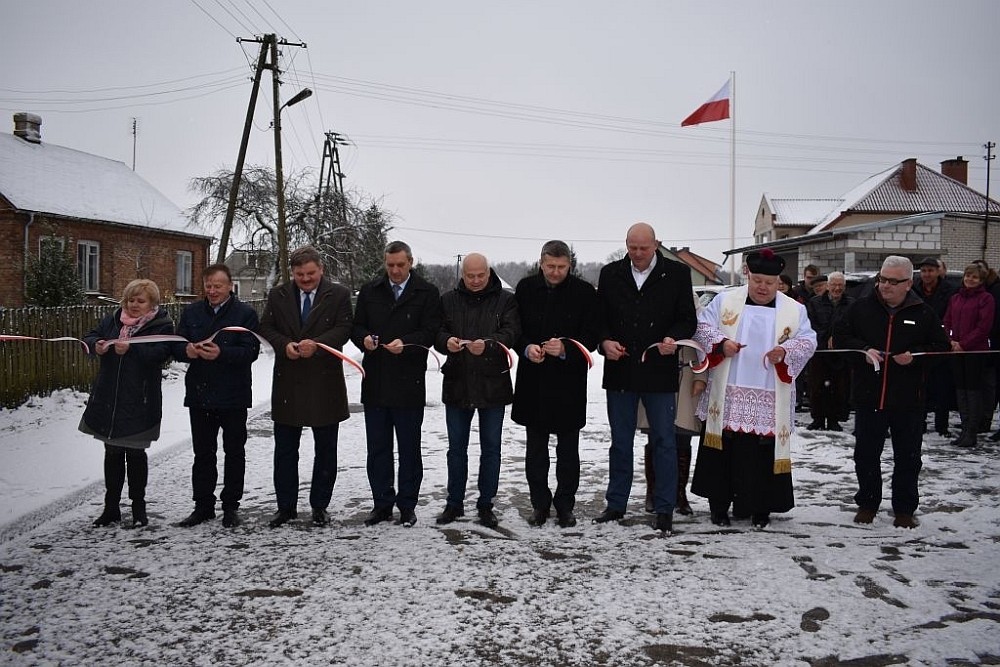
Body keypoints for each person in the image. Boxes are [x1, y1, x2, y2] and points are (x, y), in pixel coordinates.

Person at [690, 249, 817, 529]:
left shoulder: (794, 310)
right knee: (723, 448)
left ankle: (761, 508)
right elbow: (701, 327)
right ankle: (720, 506)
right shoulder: (726, 301)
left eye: (769, 283)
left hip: (769, 391)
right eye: (757, 280)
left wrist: (785, 351)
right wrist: (721, 343)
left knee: (762, 453)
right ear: (748, 276)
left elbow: (808, 341)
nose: (762, 287)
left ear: (778, 282)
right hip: (728, 391)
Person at [594, 223, 697, 534]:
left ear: (656, 245)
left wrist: (673, 338)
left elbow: (687, 319)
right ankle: (616, 504)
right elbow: (599, 318)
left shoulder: (677, 274)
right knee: (620, 442)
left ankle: (665, 507)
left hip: (659, 369)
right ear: (626, 244)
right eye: (632, 247)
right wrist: (604, 342)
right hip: (621, 369)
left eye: (643, 248)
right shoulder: (610, 273)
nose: (637, 254)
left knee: (664, 441)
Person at [835, 256, 950, 529]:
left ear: (909, 283)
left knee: (908, 457)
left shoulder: (923, 312)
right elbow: (839, 338)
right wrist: (862, 350)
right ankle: (868, 503)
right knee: (866, 454)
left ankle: (905, 509)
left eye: (893, 281)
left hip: (908, 398)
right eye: (882, 279)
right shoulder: (861, 308)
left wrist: (916, 358)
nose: (885, 286)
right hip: (869, 396)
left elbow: (940, 348)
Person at [258, 246, 353, 528]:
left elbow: (344, 328)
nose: (306, 279)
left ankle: (320, 505)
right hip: (289, 381)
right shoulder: (279, 295)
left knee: (326, 450)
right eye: (300, 274)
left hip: (325, 382)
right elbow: (266, 327)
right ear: (292, 273)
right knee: (285, 450)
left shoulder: (338, 295)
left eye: (311, 273)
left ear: (321, 270)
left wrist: (319, 345)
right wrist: (283, 345)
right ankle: (285, 506)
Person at [352, 241, 442, 528]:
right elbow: (356, 327)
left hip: (408, 381)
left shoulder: (426, 292)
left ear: (411, 262)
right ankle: (381, 504)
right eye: (390, 265)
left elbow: (431, 331)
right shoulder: (370, 291)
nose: (394, 270)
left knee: (409, 449)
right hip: (376, 380)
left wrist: (408, 343)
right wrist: (364, 339)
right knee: (378, 449)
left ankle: (407, 505)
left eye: (400, 265)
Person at [512, 240, 599, 529]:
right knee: (535, 450)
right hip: (533, 380)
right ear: (541, 262)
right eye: (550, 266)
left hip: (568, 383)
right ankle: (539, 504)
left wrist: (564, 349)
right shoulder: (525, 289)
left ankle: (565, 506)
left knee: (568, 451)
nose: (555, 272)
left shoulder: (584, 293)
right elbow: (515, 330)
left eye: (561, 267)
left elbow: (591, 337)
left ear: (570, 265)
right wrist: (527, 348)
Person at [435, 253, 520, 528]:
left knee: (491, 448)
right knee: (456, 449)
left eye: (479, 276)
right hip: (458, 382)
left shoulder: (506, 299)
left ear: (488, 272)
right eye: (469, 276)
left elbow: (511, 332)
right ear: (462, 274)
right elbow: (436, 331)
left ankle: (486, 503)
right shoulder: (448, 299)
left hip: (492, 383)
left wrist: (491, 344)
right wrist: (446, 341)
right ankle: (454, 503)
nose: (474, 281)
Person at [80, 279, 173, 528]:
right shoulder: (112, 321)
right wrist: (95, 346)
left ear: (151, 304)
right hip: (110, 399)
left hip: (140, 400)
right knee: (111, 454)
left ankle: (138, 508)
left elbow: (162, 353)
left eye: (140, 301)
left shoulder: (161, 326)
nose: (133, 305)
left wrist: (131, 350)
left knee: (134, 454)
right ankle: (111, 507)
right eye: (130, 300)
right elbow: (90, 336)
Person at [173, 264, 260, 529]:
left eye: (217, 286)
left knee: (234, 452)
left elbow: (251, 352)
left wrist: (221, 354)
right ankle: (203, 505)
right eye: (208, 286)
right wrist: (186, 350)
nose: (212, 291)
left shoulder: (245, 314)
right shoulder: (192, 312)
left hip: (233, 394)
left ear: (230, 286)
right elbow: (176, 343)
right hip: (200, 394)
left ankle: (231, 506)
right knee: (203, 453)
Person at [942, 263, 995, 448]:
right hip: (956, 350)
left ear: (981, 280)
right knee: (961, 389)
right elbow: (947, 321)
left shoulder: (986, 299)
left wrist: (964, 344)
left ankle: (972, 431)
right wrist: (951, 341)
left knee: (973, 391)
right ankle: (964, 428)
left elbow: (983, 327)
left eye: (975, 277)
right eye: (968, 276)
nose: (970, 279)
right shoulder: (955, 298)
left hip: (974, 351)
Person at [911, 257, 957, 436]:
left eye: (930, 270)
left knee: (942, 386)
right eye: (923, 271)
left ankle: (941, 425)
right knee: (920, 386)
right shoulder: (914, 290)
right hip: (919, 342)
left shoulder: (949, 291)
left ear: (938, 271)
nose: (927, 274)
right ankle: (919, 423)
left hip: (940, 341)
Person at [805, 272, 853, 431]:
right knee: (817, 387)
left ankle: (834, 419)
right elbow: (810, 325)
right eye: (834, 285)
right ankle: (818, 419)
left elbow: (852, 327)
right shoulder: (814, 302)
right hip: (819, 352)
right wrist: (825, 339)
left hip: (840, 354)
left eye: (840, 285)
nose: (837, 288)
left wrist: (838, 338)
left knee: (838, 388)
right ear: (828, 285)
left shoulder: (851, 304)